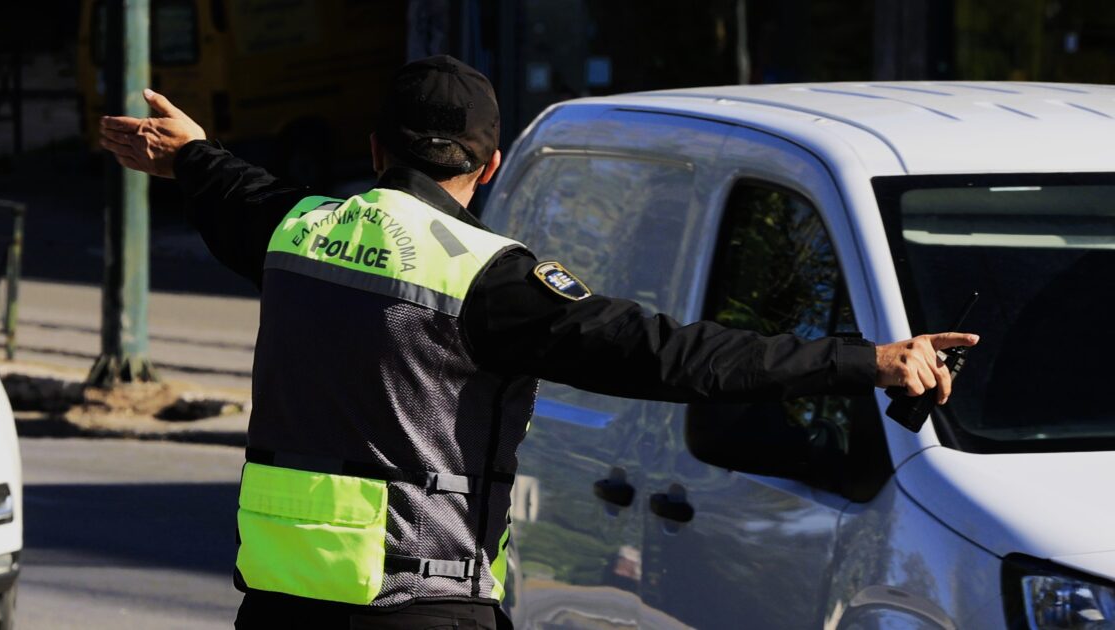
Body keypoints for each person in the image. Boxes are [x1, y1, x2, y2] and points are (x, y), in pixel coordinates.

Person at [98, 55, 978, 629]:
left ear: (374, 150)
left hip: (279, 605)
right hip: (422, 607)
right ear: (486, 168)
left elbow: (235, 189)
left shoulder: (295, 231)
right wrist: (869, 360)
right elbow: (674, 356)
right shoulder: (489, 280)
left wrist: (190, 154)